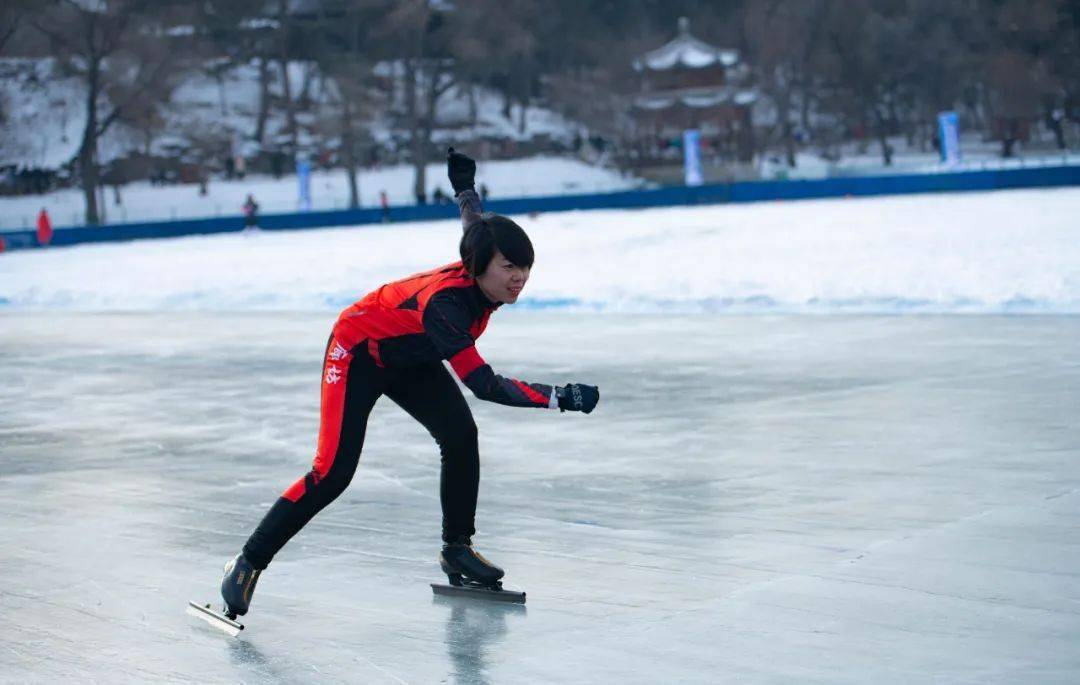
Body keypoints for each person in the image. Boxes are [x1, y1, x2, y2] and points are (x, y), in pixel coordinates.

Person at [219, 148, 600, 619]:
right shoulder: (448, 309)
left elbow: (473, 221)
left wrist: (464, 187)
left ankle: (456, 548)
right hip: (358, 349)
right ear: (480, 266)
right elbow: (482, 383)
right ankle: (247, 562)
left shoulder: (479, 256)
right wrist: (558, 396)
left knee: (460, 435)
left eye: (525, 268)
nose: (519, 278)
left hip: (409, 353)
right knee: (332, 472)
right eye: (509, 268)